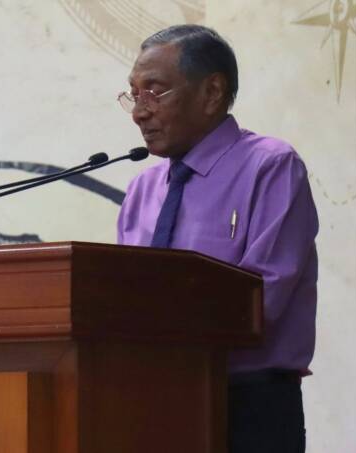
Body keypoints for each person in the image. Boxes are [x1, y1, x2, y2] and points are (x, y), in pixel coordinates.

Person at [116, 25, 318, 453]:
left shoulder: (270, 166)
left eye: (154, 91)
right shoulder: (142, 190)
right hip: (149, 401)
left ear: (211, 92)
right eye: (134, 95)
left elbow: (260, 299)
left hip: (248, 405)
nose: (139, 112)